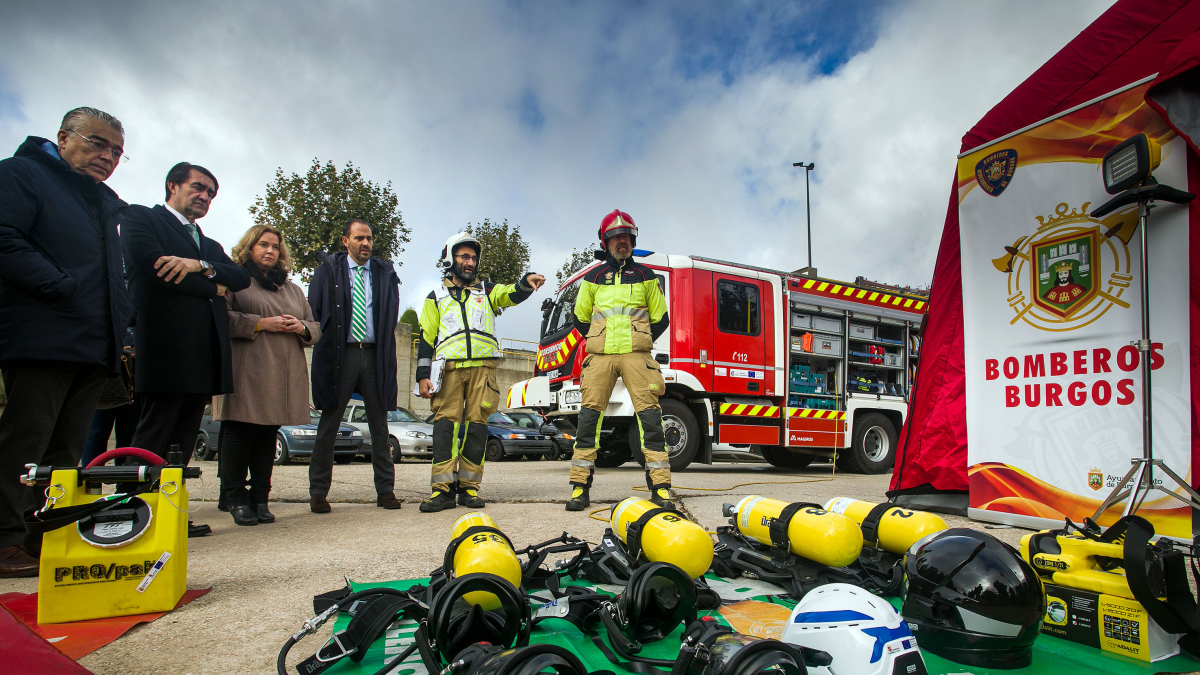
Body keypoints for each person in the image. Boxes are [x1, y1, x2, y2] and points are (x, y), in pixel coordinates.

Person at [0, 107, 134, 577]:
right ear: (63, 137)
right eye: (98, 143)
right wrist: (58, 285)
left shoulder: (102, 203)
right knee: (25, 442)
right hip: (42, 334)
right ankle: (3, 539)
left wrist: (120, 328)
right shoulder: (21, 175)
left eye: (117, 151)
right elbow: (4, 238)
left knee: (63, 453)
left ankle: (43, 537)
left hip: (93, 343)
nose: (108, 156)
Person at [121, 162, 250, 538]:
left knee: (183, 439)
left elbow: (239, 278)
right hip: (164, 344)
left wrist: (200, 265)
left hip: (202, 350)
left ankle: (169, 513)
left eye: (211, 193)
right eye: (199, 187)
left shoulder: (208, 246)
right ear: (172, 185)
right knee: (153, 431)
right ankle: (131, 510)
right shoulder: (142, 219)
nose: (205, 197)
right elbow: (153, 268)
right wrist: (214, 287)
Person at [415, 232, 544, 512]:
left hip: (483, 371)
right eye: (464, 256)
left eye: (473, 257)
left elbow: (510, 294)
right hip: (448, 370)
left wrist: (526, 281)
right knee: (445, 427)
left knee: (477, 427)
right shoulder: (434, 296)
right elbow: (426, 337)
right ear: (451, 259)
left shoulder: (487, 290)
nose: (470, 261)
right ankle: (442, 491)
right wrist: (422, 375)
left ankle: (469, 488)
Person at [214, 225, 320, 526]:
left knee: (266, 435)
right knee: (239, 433)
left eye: (275, 246)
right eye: (263, 245)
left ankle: (260, 497)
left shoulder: (292, 288)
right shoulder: (234, 280)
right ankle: (235, 498)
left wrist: (299, 327)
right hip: (246, 368)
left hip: (282, 370)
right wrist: (261, 323)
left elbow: (314, 327)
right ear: (249, 247)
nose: (270, 251)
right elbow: (222, 318)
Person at [566, 209, 670, 511]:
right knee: (588, 420)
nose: (621, 242)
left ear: (633, 240)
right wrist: (599, 338)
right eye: (615, 237)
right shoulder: (593, 277)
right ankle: (579, 488)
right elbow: (579, 317)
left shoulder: (646, 276)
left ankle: (660, 488)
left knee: (650, 418)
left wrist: (640, 339)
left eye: (626, 237)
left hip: (638, 356)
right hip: (600, 356)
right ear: (606, 241)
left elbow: (660, 318)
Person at [307, 219, 401, 513]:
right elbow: (316, 313)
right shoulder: (327, 272)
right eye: (359, 238)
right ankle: (319, 492)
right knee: (329, 425)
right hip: (341, 355)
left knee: (380, 427)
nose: (366, 244)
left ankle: (385, 490)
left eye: (369, 238)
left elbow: (389, 315)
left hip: (374, 356)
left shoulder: (384, 274)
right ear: (345, 241)